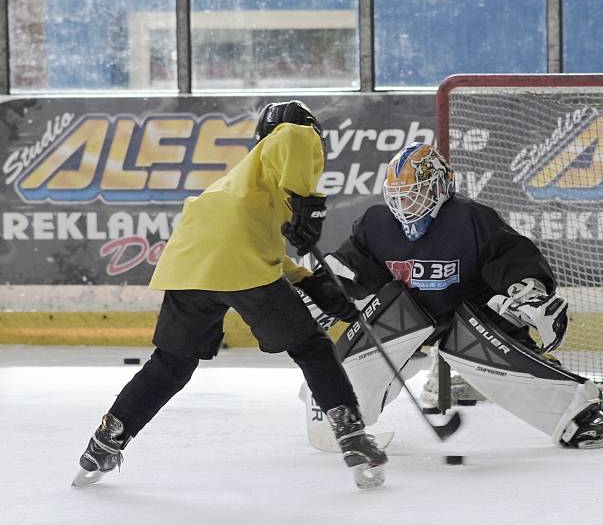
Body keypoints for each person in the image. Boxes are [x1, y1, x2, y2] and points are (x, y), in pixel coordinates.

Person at [72, 101, 387, 490]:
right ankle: (352, 436)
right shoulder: (296, 136)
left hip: (190, 261)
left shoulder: (242, 185)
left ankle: (105, 442)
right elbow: (290, 136)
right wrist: (308, 208)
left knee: (170, 364)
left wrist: (308, 280)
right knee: (311, 347)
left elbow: (250, 245)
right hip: (239, 264)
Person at [305, 142, 603, 449]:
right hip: (405, 317)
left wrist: (528, 293)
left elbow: (509, 258)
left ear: (440, 188)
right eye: (399, 198)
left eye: (415, 196)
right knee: (359, 351)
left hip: (468, 317)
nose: (407, 207)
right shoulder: (376, 224)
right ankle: (340, 416)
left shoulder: (469, 219)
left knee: (484, 350)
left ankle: (581, 416)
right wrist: (321, 292)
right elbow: (349, 267)